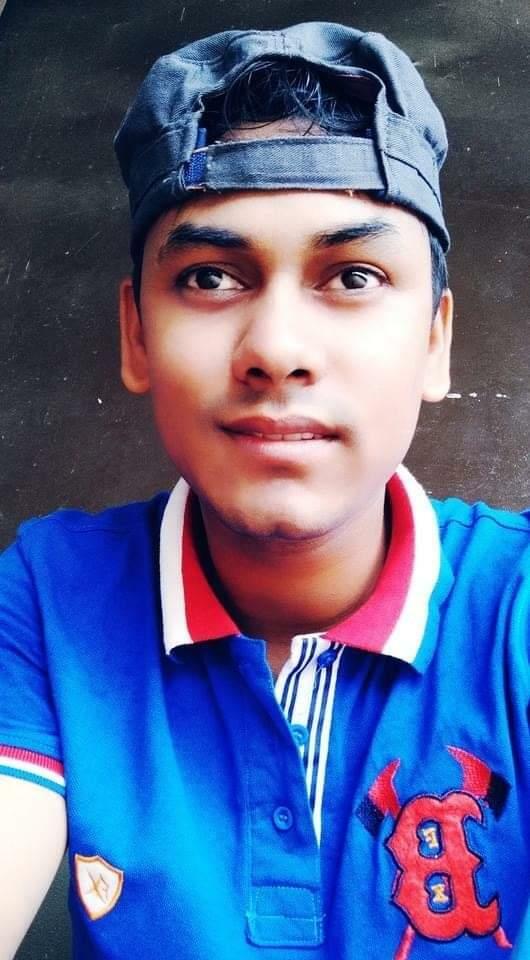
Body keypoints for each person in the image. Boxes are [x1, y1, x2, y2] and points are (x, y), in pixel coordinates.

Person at [0, 21, 528, 960]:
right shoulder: (49, 596)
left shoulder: (516, 611)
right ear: (136, 335)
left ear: (435, 340)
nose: (277, 349)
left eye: (353, 276)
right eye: (210, 277)